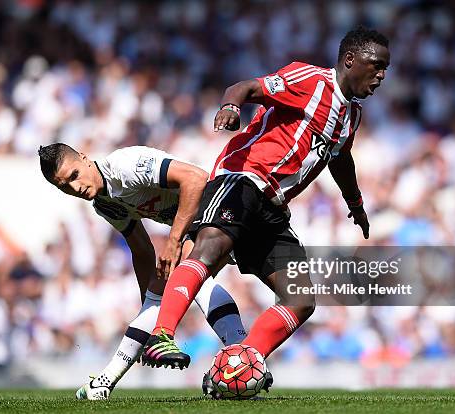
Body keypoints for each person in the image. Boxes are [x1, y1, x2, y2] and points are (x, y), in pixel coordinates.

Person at [141, 26, 390, 387]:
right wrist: (230, 106)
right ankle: (161, 334)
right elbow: (244, 88)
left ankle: (243, 362)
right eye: (376, 65)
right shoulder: (311, 80)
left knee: (302, 299)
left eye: (386, 68)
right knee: (210, 249)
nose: (381, 75)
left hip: (273, 207)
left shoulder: (352, 115)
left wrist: (356, 203)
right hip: (243, 178)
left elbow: (340, 158)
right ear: (350, 60)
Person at [38, 144, 247, 400]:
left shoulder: (125, 166)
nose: (75, 187)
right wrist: (149, 304)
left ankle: (244, 358)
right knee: (182, 283)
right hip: (204, 221)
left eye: (74, 175)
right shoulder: (105, 204)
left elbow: (196, 178)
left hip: (227, 205)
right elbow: (142, 250)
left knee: (190, 273)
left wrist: (173, 242)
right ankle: (102, 383)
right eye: (64, 187)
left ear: (84, 158)